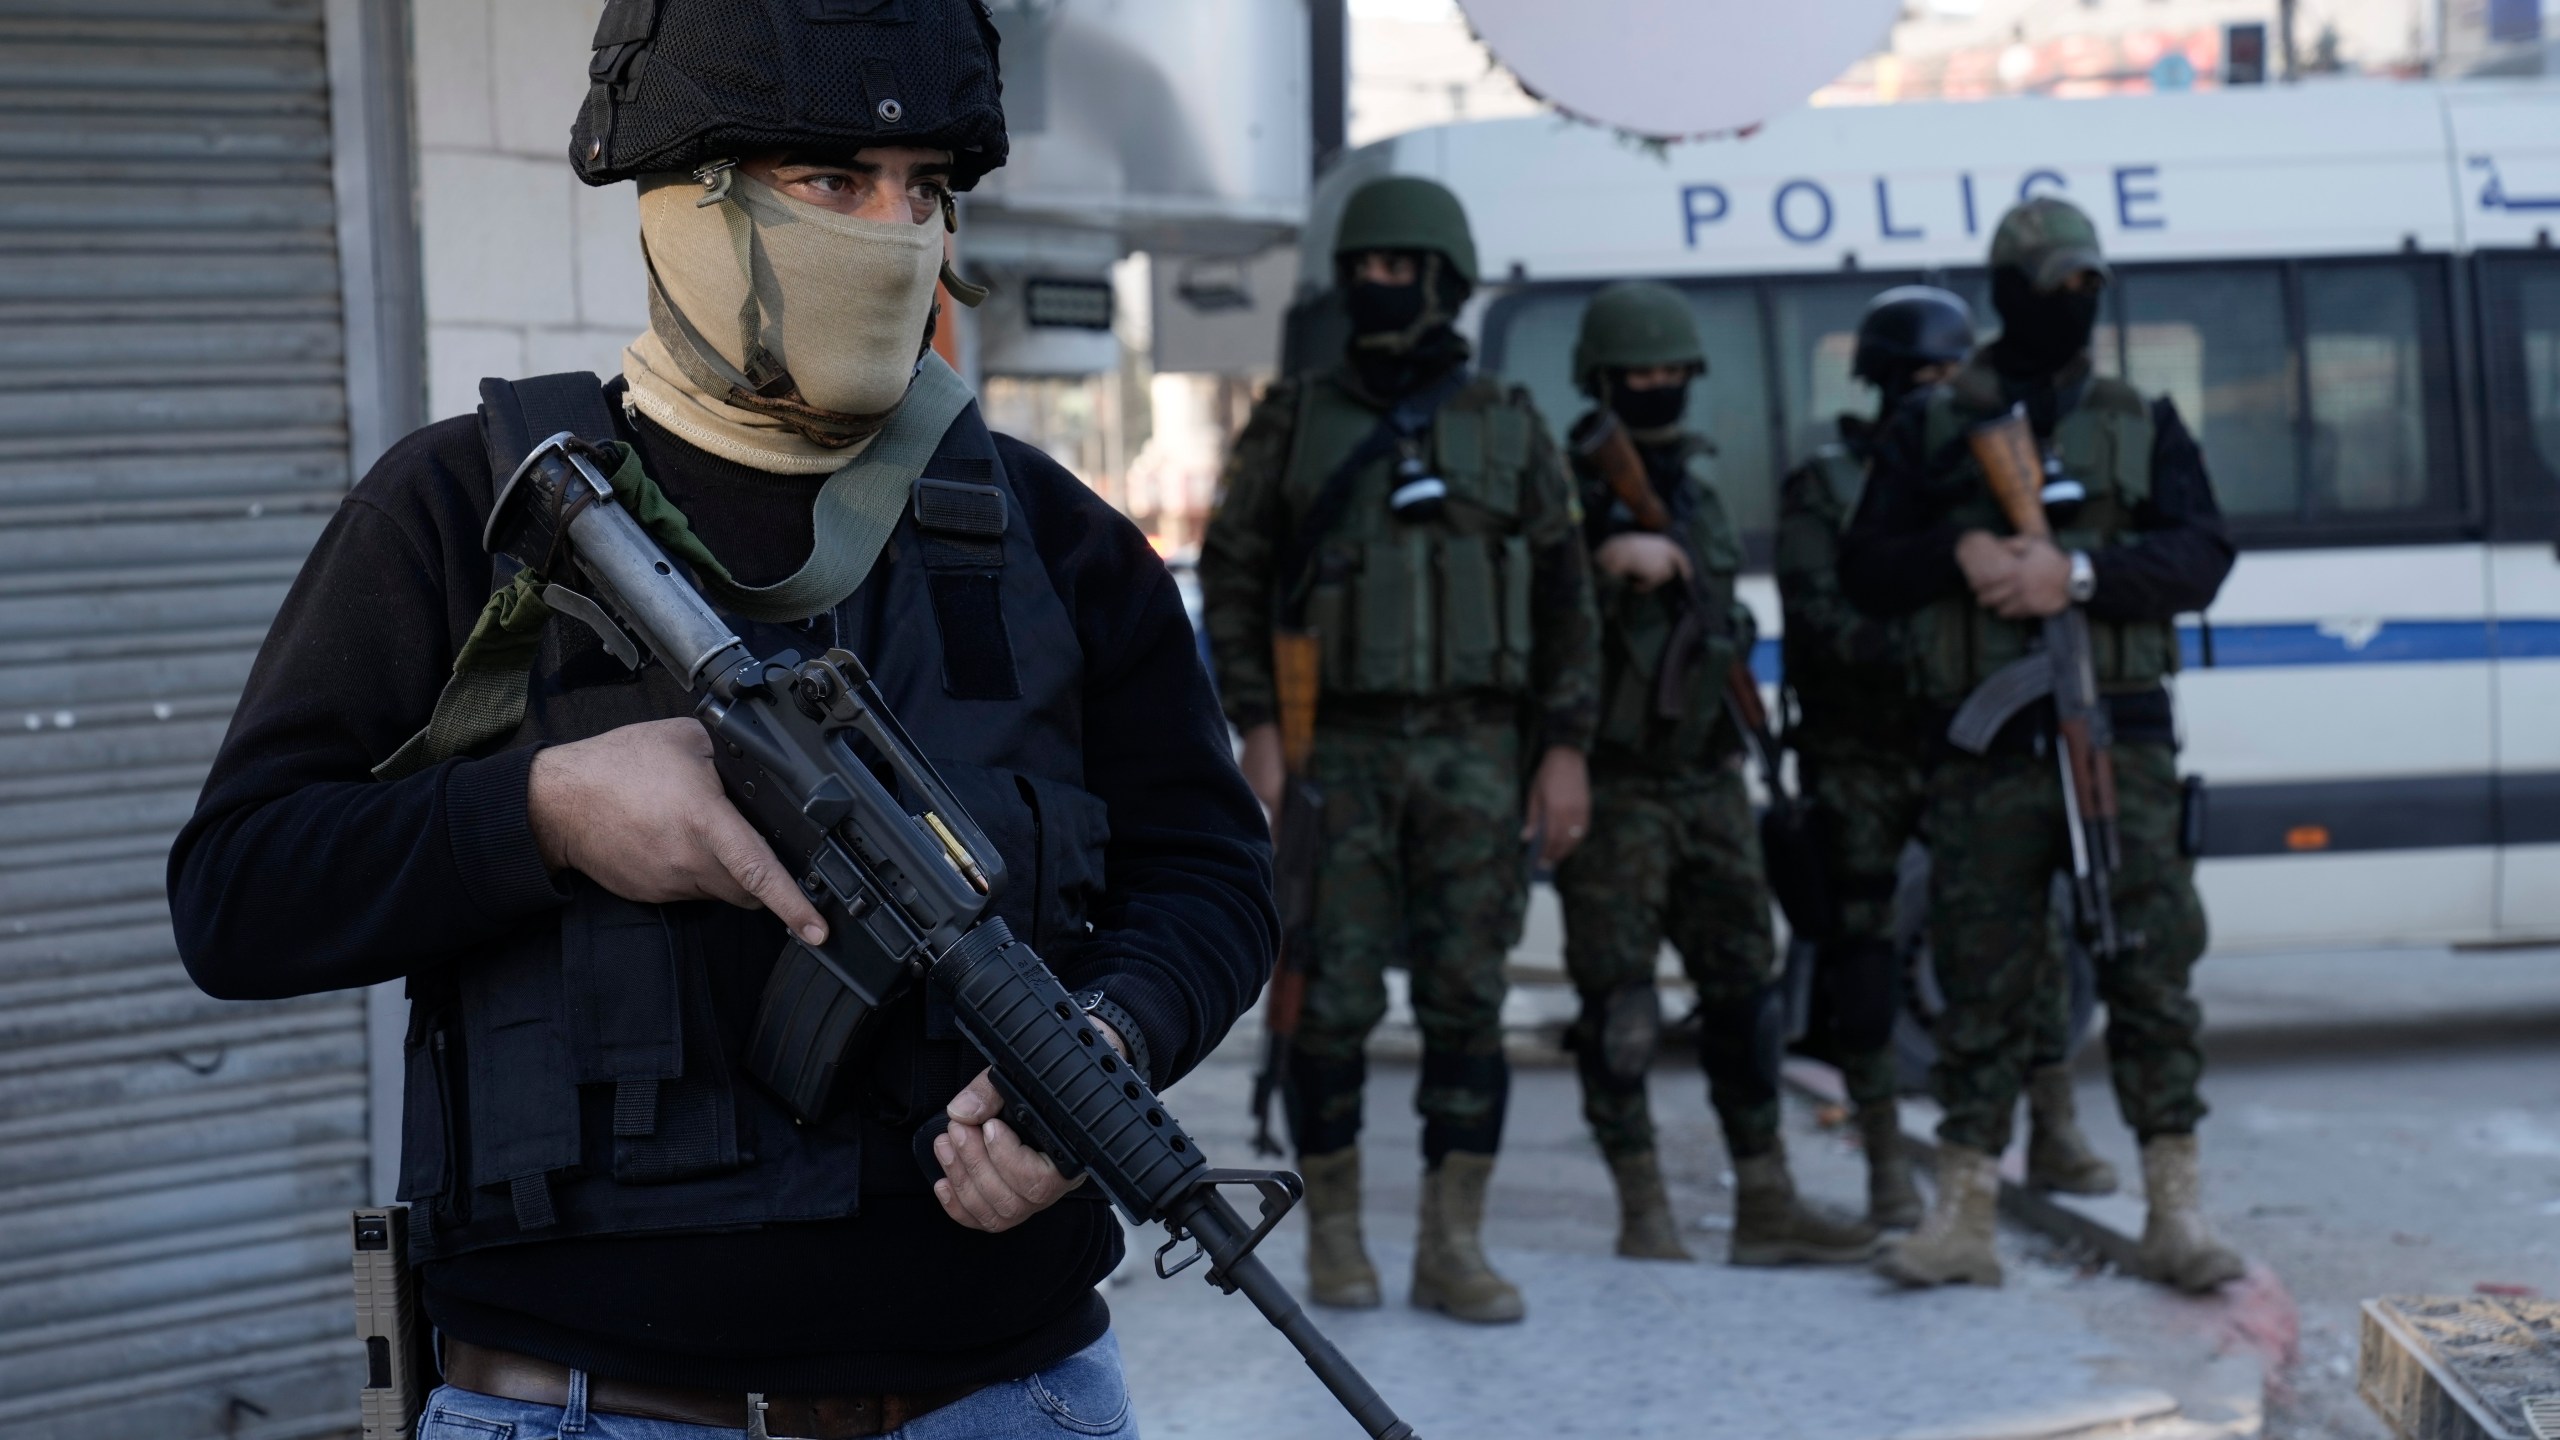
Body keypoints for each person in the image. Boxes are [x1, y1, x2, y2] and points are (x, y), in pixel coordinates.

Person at [168, 4, 1274, 1435]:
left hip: (1003, 1396)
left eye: (925, 186)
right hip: (581, 1405)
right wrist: (546, 815)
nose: (894, 230)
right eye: (833, 180)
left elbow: (1215, 879)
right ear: (689, 203)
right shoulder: (464, 512)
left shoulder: (1051, 540)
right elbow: (236, 895)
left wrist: (1107, 1050)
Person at [1199, 175, 1599, 1324]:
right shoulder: (1295, 419)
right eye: (1363, 271)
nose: (1377, 289)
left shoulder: (1511, 426)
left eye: (1396, 270)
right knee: (1326, 1002)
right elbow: (1232, 575)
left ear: (1440, 280)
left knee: (1469, 1003)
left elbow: (1569, 602)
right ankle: (1332, 1235)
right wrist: (1260, 731)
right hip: (1338, 756)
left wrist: (1563, 749)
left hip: (1479, 752)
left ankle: (1450, 1244)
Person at [1841, 198, 2244, 1292]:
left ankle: (2175, 1209)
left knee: (2149, 967)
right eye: (2053, 286)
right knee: (1980, 978)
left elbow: (2203, 554)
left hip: (2118, 739)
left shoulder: (2139, 419)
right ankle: (1961, 1216)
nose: (2073, 305)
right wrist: (1961, 545)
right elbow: (1863, 567)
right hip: (1987, 750)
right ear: (2007, 291)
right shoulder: (1932, 427)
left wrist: (2070, 576)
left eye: (2087, 288)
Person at [1775, 287, 2120, 1231]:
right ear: (1882, 383)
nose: (1936, 392)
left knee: (2029, 930)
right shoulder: (1831, 483)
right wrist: (1930, 634)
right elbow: (1823, 619)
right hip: (1861, 755)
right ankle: (1888, 1159)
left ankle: (2053, 1123)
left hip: (1968, 739)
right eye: (1919, 378)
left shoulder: (1976, 466)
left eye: (1947, 376)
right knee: (1866, 958)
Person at [1551, 281, 1877, 1267]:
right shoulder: (1563, 492)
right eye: (1636, 376)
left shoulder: (1692, 488)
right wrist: (1603, 556)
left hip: (1706, 779)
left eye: (1668, 374)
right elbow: (1538, 613)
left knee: (1745, 994)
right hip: (1614, 787)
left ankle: (1765, 1201)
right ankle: (1641, 1206)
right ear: (1601, 383)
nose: (1655, 390)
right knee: (1617, 1007)